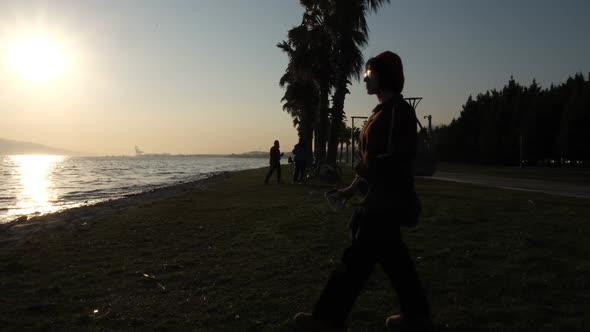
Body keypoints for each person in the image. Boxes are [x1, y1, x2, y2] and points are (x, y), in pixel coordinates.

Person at [294, 51, 432, 331]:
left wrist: (361, 176)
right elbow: (373, 164)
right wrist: (348, 191)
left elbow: (390, 160)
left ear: (386, 76)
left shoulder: (398, 113)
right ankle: (417, 318)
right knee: (395, 262)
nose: (364, 79)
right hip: (379, 201)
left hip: (385, 203)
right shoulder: (381, 112)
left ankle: (327, 319)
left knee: (355, 263)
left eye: (369, 74)